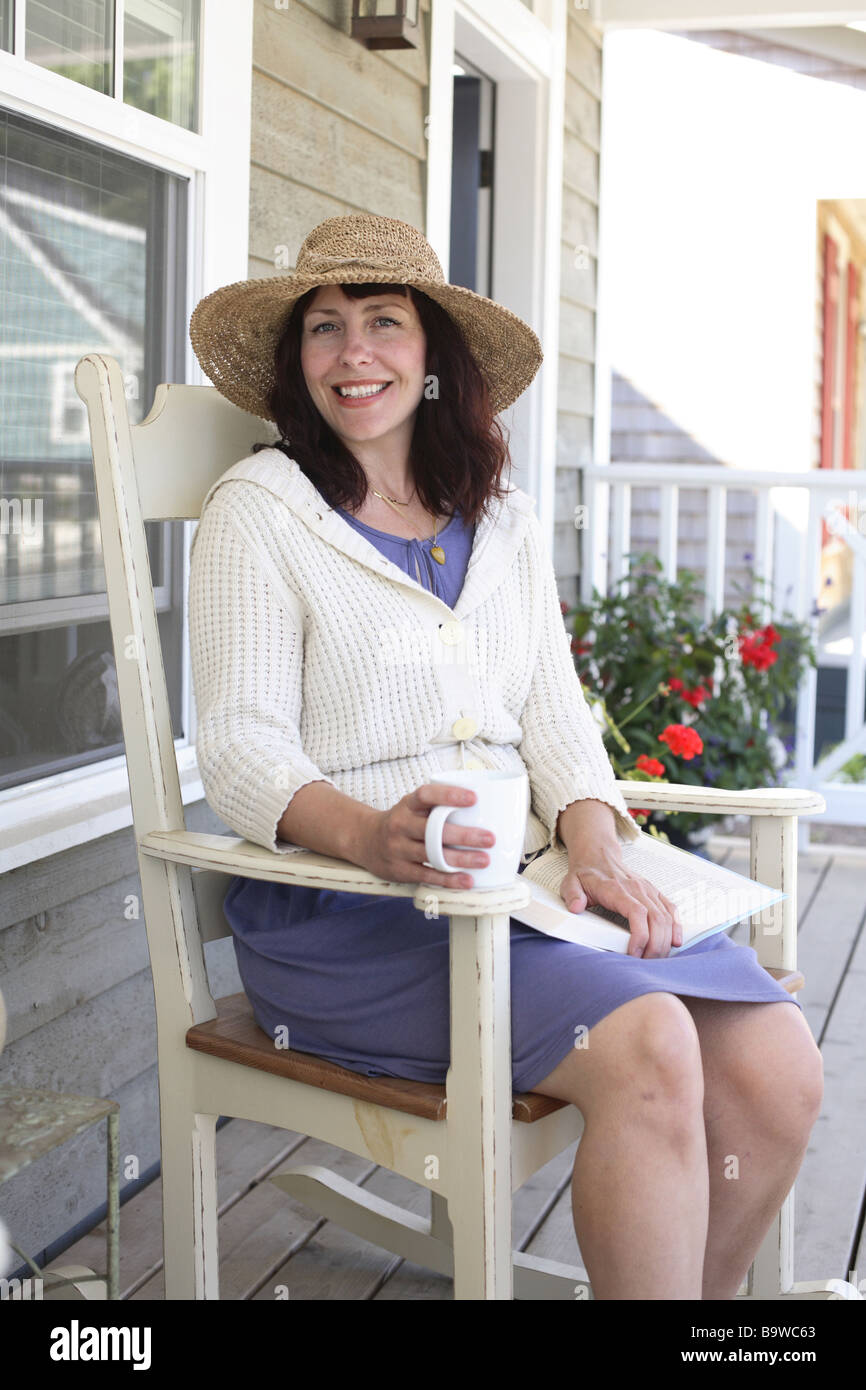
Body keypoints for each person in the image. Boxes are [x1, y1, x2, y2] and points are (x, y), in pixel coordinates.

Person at [187, 213, 823, 1301]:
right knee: (649, 1046)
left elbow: (555, 711)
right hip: (353, 915)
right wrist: (371, 836)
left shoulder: (503, 517)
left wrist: (591, 839)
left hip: (524, 894)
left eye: (383, 323)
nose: (353, 355)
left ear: (434, 352)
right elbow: (239, 745)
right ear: (296, 361)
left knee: (778, 1066)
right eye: (324, 329)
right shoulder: (259, 513)